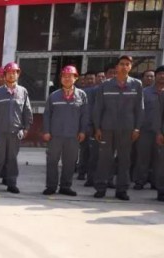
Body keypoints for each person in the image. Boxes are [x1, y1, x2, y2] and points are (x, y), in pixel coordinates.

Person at [92, 55, 144, 200]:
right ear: (117, 67)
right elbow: (98, 108)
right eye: (122, 64)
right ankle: (101, 188)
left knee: (124, 160)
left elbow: (140, 108)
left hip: (127, 129)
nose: (124, 66)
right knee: (104, 159)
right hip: (107, 128)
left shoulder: (136, 84)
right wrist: (97, 127)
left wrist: (137, 128)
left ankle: (122, 190)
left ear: (131, 67)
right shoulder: (105, 85)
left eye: (127, 64)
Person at [41, 66, 89, 196]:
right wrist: (46, 131)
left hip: (73, 135)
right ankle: (51, 186)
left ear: (76, 78)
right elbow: (47, 115)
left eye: (70, 76)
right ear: (61, 78)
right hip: (55, 135)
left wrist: (82, 131)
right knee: (52, 161)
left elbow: (85, 115)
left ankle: (65, 186)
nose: (67, 79)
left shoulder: (82, 95)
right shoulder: (54, 96)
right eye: (64, 76)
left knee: (70, 162)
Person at [0, 62, 32, 194]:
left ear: (18, 74)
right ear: (4, 75)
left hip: (15, 132)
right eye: (9, 73)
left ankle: (12, 183)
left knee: (12, 159)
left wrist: (26, 128)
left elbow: (27, 111)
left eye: (14, 73)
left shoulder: (23, 91)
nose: (11, 75)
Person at [133, 66, 164, 191]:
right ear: (156, 76)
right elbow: (138, 111)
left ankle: (157, 182)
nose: (162, 76)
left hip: (161, 132)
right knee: (143, 157)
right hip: (145, 130)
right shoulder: (145, 92)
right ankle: (140, 181)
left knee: (159, 159)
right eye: (160, 74)